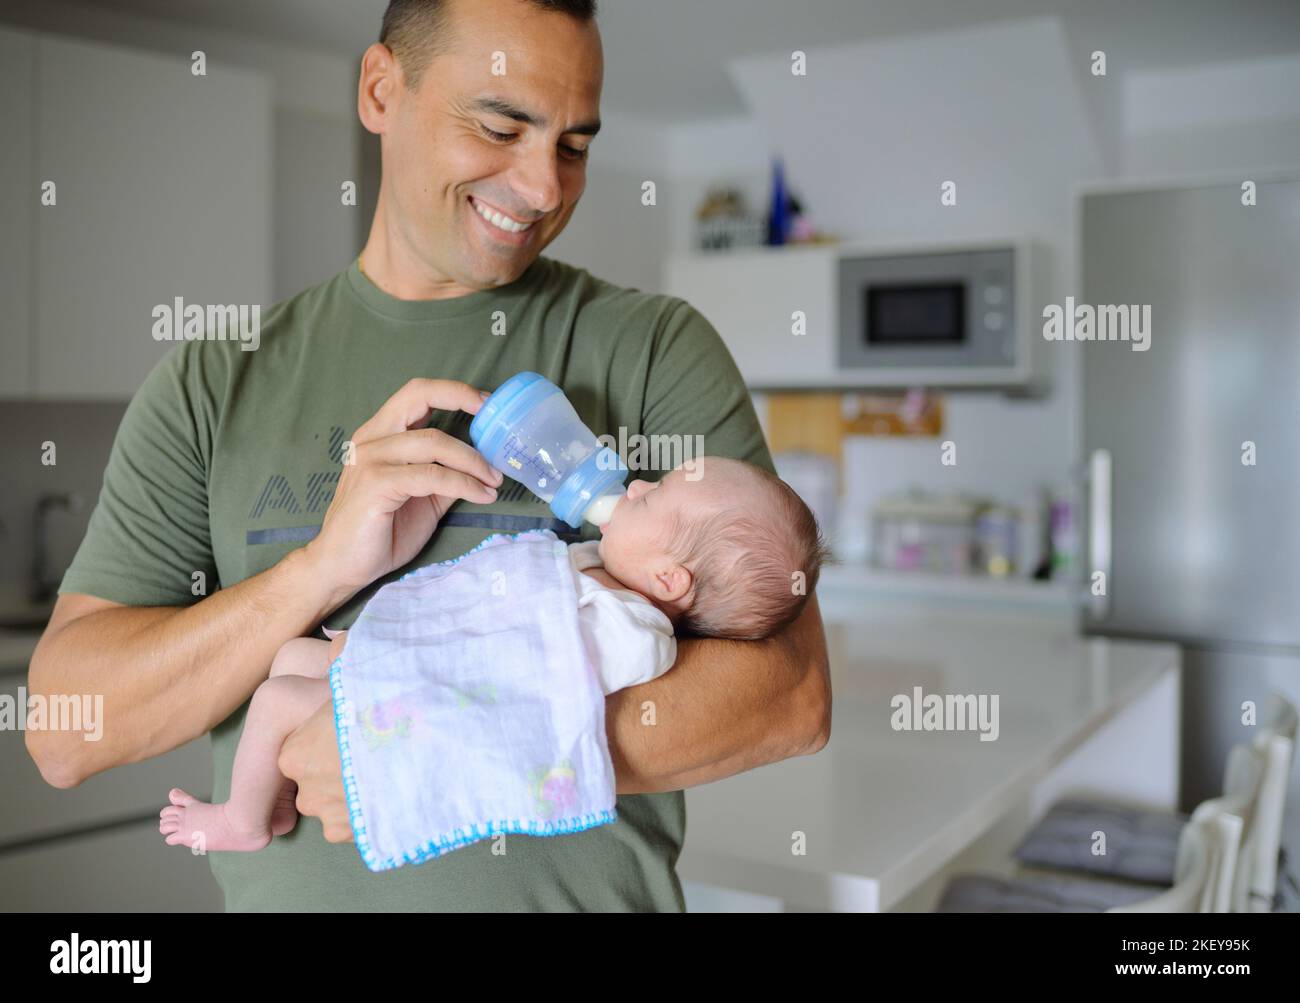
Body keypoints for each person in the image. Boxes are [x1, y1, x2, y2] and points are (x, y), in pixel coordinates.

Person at [28, 0, 831, 912]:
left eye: (574, 147)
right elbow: (66, 730)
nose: (542, 188)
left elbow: (791, 696)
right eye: (500, 126)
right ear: (381, 89)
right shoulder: (214, 383)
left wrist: (415, 753)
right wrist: (318, 571)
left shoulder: (652, 348)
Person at [158, 458, 830, 855]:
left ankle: (240, 820)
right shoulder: (597, 566)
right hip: (413, 661)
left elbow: (539, 688)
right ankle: (273, 800)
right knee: (289, 657)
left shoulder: (635, 632)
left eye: (653, 498)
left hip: (435, 696)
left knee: (278, 700)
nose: (634, 486)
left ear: (670, 582)